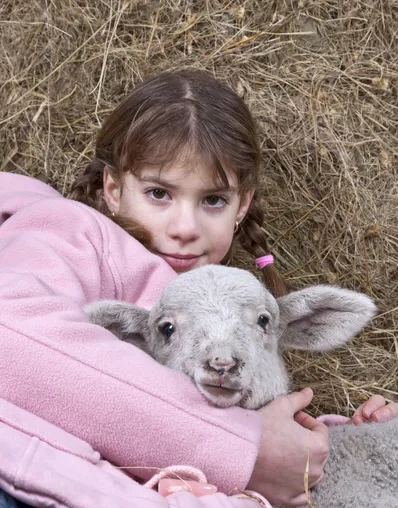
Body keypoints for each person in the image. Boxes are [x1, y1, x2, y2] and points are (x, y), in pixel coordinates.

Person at [0, 70, 396, 508]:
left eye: (213, 200)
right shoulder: (74, 231)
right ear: (112, 189)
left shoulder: (234, 306)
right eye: (158, 193)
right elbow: (8, 336)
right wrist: (242, 448)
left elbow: (254, 417)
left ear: (241, 205)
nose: (185, 228)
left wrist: (331, 443)